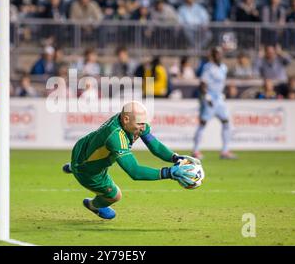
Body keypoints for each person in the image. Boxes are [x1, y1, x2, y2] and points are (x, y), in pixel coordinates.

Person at [61, 101, 200, 220]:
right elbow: (135, 172)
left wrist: (174, 157)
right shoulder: (115, 136)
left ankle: (73, 166)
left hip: (82, 147)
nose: (143, 127)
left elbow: (155, 145)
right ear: (126, 120)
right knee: (115, 196)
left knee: (102, 155)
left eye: (144, 123)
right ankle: (92, 205)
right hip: (88, 170)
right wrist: (169, 173)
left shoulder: (131, 121)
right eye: (140, 124)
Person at [192, 47, 237, 160]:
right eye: (216, 54)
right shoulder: (208, 67)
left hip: (219, 99)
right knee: (203, 123)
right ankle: (196, 150)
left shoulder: (224, 68)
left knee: (226, 122)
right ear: (212, 55)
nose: (219, 56)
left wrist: (225, 92)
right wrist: (206, 97)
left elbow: (221, 83)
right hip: (210, 99)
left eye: (220, 54)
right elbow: (203, 83)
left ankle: (225, 151)